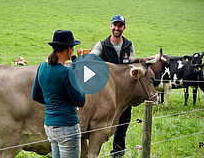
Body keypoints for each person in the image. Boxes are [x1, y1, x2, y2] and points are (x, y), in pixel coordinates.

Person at [32, 30, 85, 158]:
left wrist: (55, 103)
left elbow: (36, 95)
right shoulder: (66, 72)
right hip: (67, 127)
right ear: (68, 49)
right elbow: (80, 101)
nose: (73, 50)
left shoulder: (42, 66)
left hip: (50, 126)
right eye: (72, 47)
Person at [90, 15, 135, 158]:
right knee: (101, 125)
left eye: (120, 25)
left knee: (122, 126)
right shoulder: (102, 45)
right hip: (106, 95)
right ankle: (92, 152)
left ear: (124, 28)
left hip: (123, 95)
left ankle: (117, 153)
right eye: (114, 25)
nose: (117, 28)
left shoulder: (129, 45)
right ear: (110, 26)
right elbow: (92, 57)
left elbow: (132, 65)